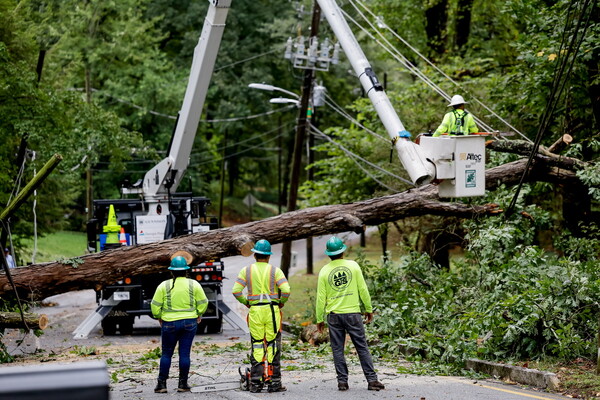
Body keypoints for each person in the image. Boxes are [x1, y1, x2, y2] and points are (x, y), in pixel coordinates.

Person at [316, 237, 385, 392]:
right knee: (362, 347)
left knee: (338, 349)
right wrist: (369, 308)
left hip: (334, 316)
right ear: (343, 251)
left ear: (328, 254)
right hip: (353, 314)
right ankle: (372, 380)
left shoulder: (324, 271)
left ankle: (342, 382)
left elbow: (321, 298)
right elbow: (363, 289)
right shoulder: (353, 266)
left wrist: (319, 318)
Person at [232, 239, 291, 393]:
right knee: (273, 345)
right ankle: (274, 382)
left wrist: (246, 302)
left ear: (255, 255)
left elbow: (236, 291)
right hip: (272, 312)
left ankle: (256, 383)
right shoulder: (275, 271)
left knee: (257, 344)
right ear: (269, 256)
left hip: (255, 312)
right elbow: (286, 290)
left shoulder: (246, 271)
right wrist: (280, 302)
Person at [151, 256, 208, 393]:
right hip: (189, 323)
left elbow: (154, 306)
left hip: (169, 323)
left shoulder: (163, 286)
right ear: (186, 270)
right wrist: (198, 314)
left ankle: (162, 384)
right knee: (184, 354)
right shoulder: (193, 285)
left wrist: (159, 316)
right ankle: (183, 384)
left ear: (172, 271)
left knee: (166, 354)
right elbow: (203, 302)